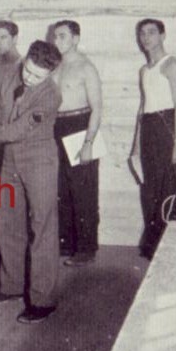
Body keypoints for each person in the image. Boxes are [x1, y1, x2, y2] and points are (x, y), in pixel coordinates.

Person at [0, 41, 62, 324]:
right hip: (11, 160)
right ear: (25, 59)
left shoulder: (50, 96)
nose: (29, 78)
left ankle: (42, 300)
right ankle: (11, 285)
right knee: (8, 223)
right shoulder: (12, 74)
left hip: (39, 162)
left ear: (50, 74)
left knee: (42, 228)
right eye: (28, 70)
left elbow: (14, 130)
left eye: (37, 76)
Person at [133, 18, 176, 258]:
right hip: (149, 129)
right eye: (142, 33)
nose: (146, 38)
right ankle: (155, 245)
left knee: (170, 187)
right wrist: (136, 144)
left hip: (168, 129)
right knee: (150, 188)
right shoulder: (144, 70)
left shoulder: (172, 64)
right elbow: (143, 107)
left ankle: (173, 247)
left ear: (163, 35)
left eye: (152, 33)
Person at [50, 19, 103, 265]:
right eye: (55, 36)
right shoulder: (54, 67)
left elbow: (97, 108)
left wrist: (88, 142)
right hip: (57, 127)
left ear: (75, 39)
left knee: (84, 191)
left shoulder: (86, 67)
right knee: (61, 189)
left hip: (80, 125)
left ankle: (86, 249)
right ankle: (67, 242)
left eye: (62, 36)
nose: (56, 41)